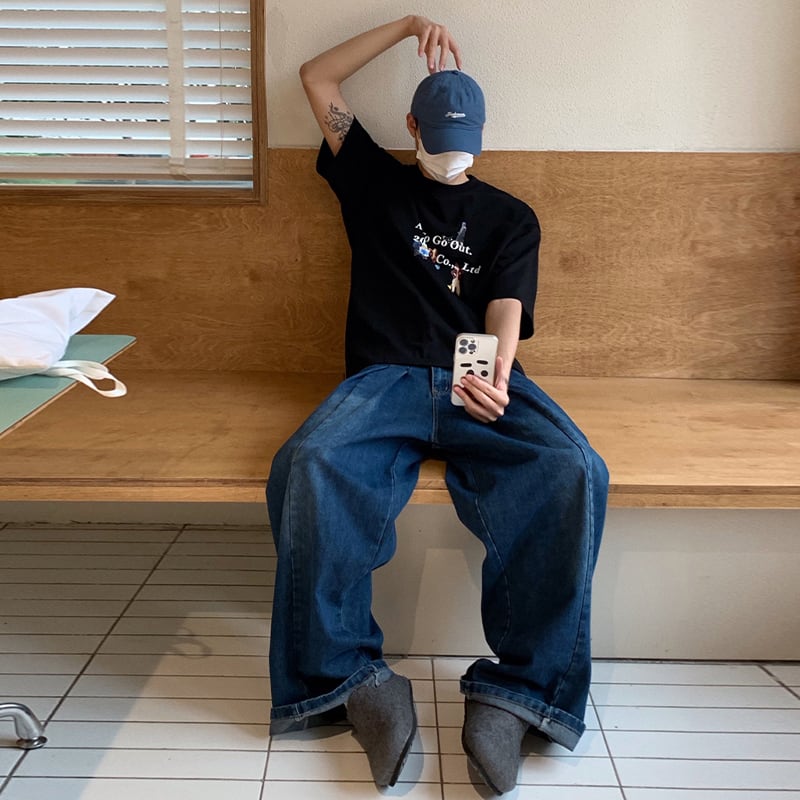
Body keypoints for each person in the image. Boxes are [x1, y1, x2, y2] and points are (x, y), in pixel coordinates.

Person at [266, 14, 609, 795]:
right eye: (440, 133)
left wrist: (498, 370)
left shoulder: (510, 216)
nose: (454, 148)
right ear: (413, 126)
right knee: (310, 464)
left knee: (573, 468)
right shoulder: (372, 180)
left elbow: (506, 306)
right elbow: (317, 78)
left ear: (482, 136)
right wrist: (405, 26)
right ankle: (348, 678)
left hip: (481, 372)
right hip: (384, 378)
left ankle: (521, 692)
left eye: (466, 137)